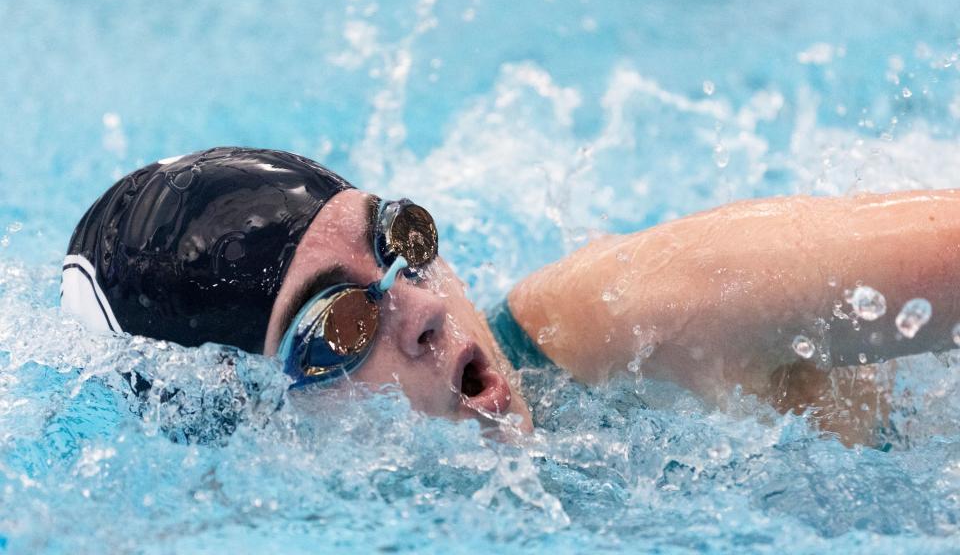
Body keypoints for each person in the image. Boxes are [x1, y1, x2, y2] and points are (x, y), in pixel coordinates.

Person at [61, 147, 960, 446]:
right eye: (337, 323)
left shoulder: (642, 314)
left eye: (400, 242)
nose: (421, 309)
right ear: (248, 412)